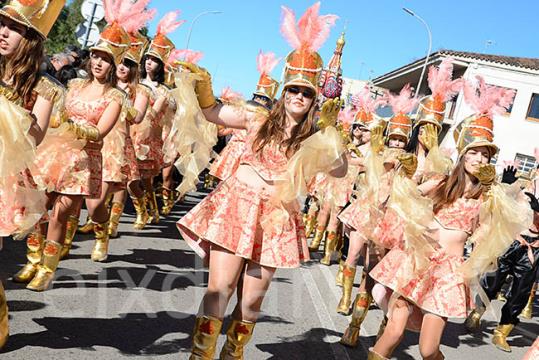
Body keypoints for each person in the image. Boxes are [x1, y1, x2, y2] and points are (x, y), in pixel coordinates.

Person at [176, 3, 345, 358]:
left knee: (251, 302)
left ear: (315, 98)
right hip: (237, 206)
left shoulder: (315, 137)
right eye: (294, 89)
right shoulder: (257, 119)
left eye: (307, 92)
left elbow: (340, 171)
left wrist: (332, 134)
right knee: (219, 289)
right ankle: (200, 355)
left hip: (277, 218)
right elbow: (211, 112)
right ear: (284, 91)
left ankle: (233, 353)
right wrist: (203, 84)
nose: (299, 96)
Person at [367, 76, 529, 360]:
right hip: (418, 261)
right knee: (392, 333)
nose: (479, 159)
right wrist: (406, 175)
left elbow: (495, 230)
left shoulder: (487, 196)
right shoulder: (442, 183)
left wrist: (472, 252)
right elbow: (407, 198)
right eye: (475, 153)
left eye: (485, 155)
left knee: (428, 350)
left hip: (449, 273)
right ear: (463, 155)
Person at [21, 1, 127, 290]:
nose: (97, 62)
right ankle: (32, 258)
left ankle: (47, 268)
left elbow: (100, 132)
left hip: (82, 159)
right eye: (95, 55)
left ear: (114, 64)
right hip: (54, 152)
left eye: (105, 58)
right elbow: (55, 111)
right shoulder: (75, 85)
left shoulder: (117, 97)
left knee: (60, 214)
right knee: (36, 207)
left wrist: (70, 125)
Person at [0, 0, 65, 347]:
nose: (3, 32)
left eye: (14, 28)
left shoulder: (44, 86)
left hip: (5, 173)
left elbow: (34, 135)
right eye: (1, 24)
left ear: (32, 39)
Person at [464, 165, 538, 353]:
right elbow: (507, 204)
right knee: (493, 278)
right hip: (513, 240)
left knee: (521, 292)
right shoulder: (530, 185)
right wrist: (508, 186)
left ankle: (502, 332)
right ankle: (478, 311)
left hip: (534, 249)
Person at [129, 11, 182, 228]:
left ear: (161, 65)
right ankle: (141, 212)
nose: (150, 63)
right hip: (127, 132)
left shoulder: (164, 91)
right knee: (128, 178)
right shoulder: (135, 82)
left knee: (146, 180)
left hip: (147, 137)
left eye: (155, 60)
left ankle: (151, 209)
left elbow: (160, 117)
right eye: (148, 58)